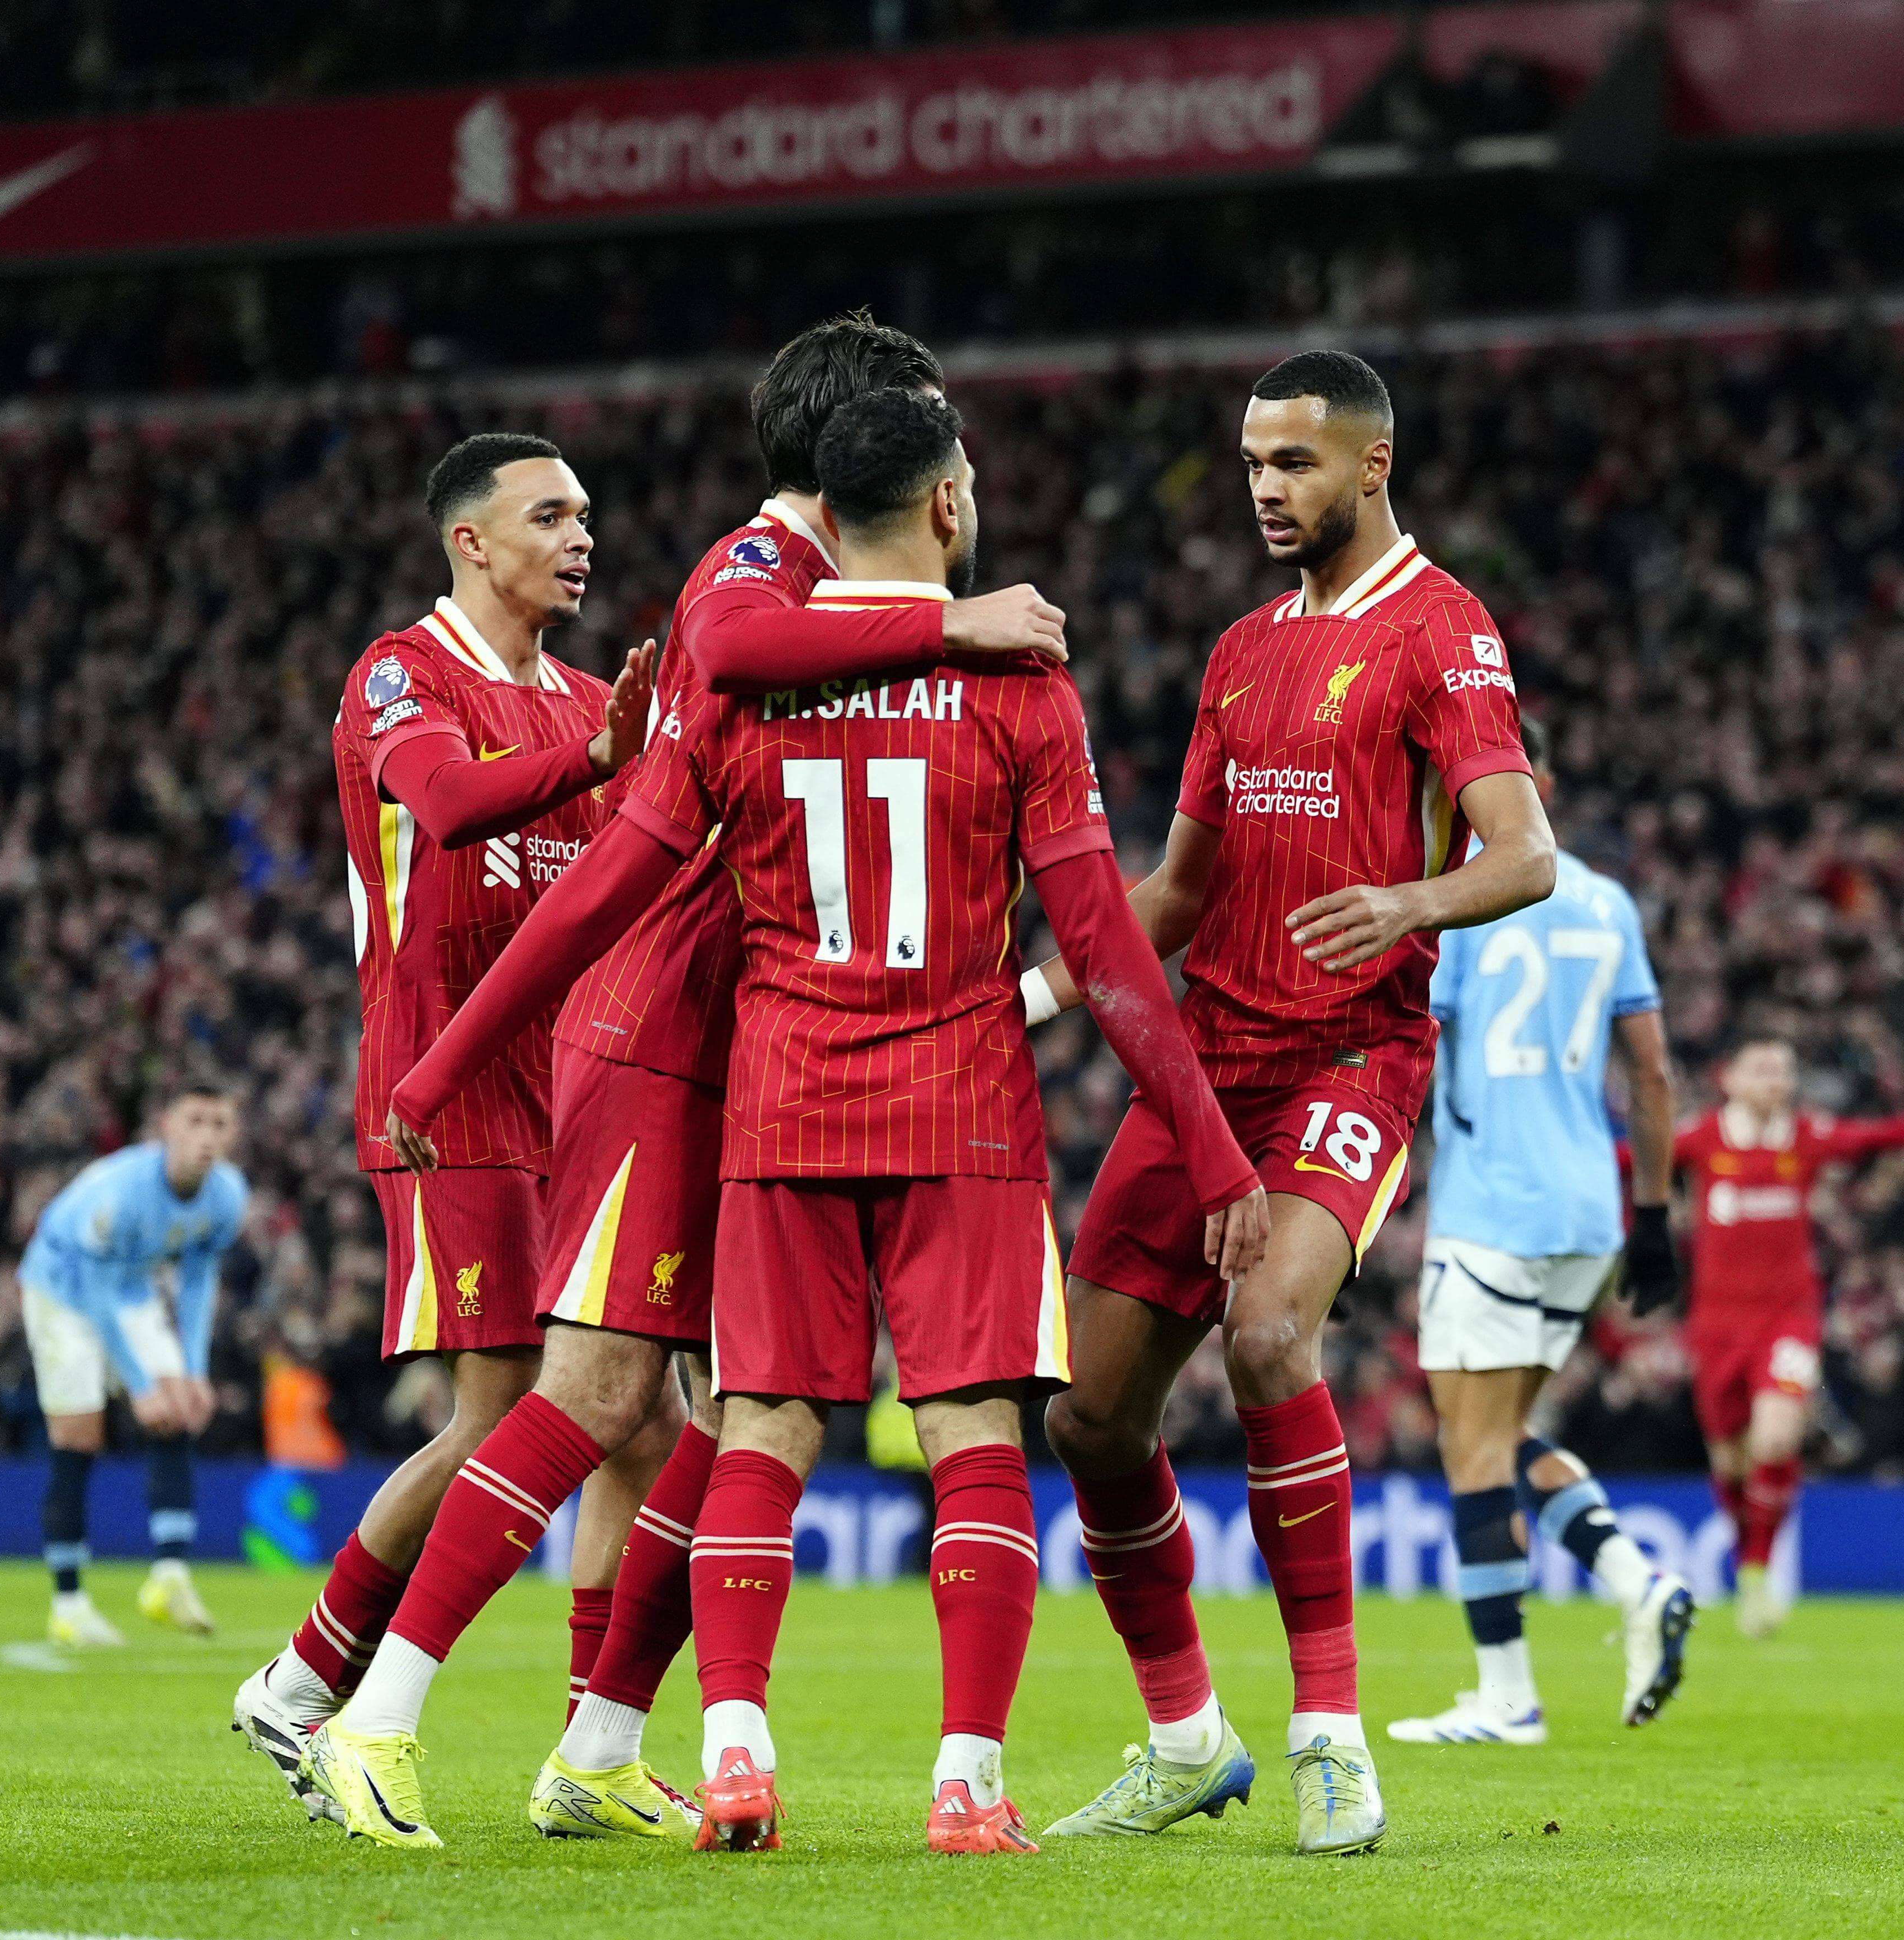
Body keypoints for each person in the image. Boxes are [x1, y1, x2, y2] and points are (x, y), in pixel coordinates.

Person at [369, 386, 1260, 1854]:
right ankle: (966, 1783)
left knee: (762, 1422)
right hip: (962, 1098)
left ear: (817, 524)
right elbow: (1102, 941)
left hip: (780, 1102)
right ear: (953, 508)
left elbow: (600, 894)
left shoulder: (741, 680)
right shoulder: (1021, 678)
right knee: (972, 1424)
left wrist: (446, 1058)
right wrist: (1212, 1143)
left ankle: (732, 1756)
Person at [1023, 350, 1553, 1856]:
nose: (1266, 487)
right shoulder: (1242, 648)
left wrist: (1409, 901)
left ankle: (1331, 1731)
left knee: (1267, 1332)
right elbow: (1179, 891)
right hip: (1206, 1067)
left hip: (1350, 1060)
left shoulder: (1442, 634)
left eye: (1295, 463)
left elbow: (1525, 853)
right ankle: (1187, 1733)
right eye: (1254, 461)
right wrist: (1035, 995)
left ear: (1371, 466)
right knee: (1092, 1415)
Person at [228, 433, 653, 1820]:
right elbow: (453, 803)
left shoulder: (599, 698)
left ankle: (595, 1749)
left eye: (587, 513)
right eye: (550, 514)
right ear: (472, 540)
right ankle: (303, 1689)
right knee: (495, 1415)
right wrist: (599, 755)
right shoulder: (403, 674)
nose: (581, 535)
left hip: (577, 1102)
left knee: (638, 1417)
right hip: (444, 1095)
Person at [1389, 716, 1692, 1747]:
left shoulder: (1455, 901)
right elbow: (1651, 1073)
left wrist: (1363, 1199)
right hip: (1588, 1214)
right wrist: (1654, 1214)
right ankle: (1635, 1582)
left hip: (1493, 1208)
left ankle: (1506, 1694)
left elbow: (1415, 1049)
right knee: (1505, 1433)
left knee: (1470, 1446)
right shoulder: (1608, 904)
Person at [1675, 1037, 1904, 1638]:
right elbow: (1627, 1159)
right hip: (1716, 1326)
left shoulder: (1808, 1137)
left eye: (1784, 1070)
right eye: (1761, 1067)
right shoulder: (1703, 1139)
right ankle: (1749, 1555)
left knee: (1777, 1436)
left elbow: (1891, 1135)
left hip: (1789, 1317)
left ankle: (1758, 1573)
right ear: (1729, 1077)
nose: (1774, 1080)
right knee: (1731, 1459)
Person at [18, 1086, 246, 1645]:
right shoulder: (118, 1190)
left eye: (219, 1123)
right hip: (63, 1293)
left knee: (178, 1409)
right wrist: (139, 1384)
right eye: (195, 1120)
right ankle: (69, 1603)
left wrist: (193, 1370)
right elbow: (92, 1292)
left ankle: (169, 1577)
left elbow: (197, 1281)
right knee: (80, 1434)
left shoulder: (228, 1195)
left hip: (130, 1289)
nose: (208, 1136)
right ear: (167, 1124)